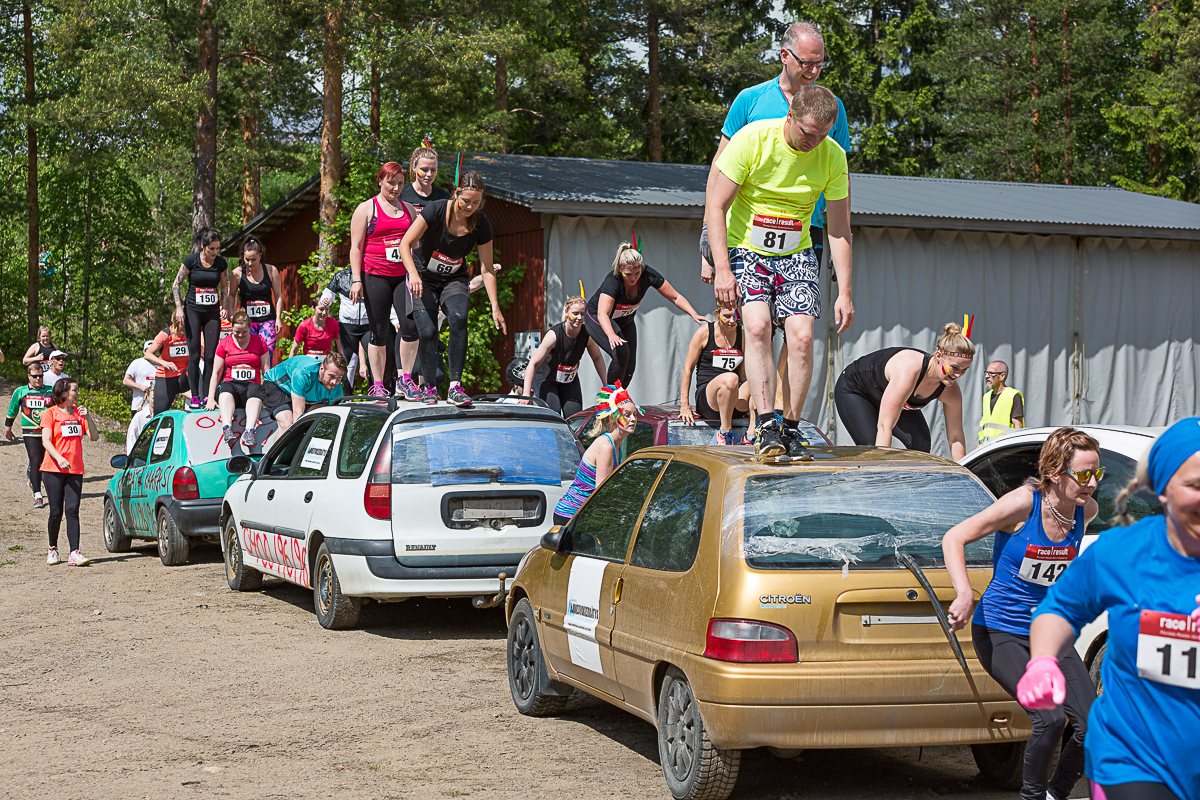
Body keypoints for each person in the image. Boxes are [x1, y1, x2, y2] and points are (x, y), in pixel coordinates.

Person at [1018, 418, 1200, 800]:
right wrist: (1043, 662)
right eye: (1196, 486)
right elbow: (1059, 609)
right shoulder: (1120, 553)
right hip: (1134, 758)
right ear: (1164, 490)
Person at [942, 427, 1101, 800]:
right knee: (1048, 719)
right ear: (1055, 472)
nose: (1092, 483)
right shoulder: (1022, 504)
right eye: (1083, 474)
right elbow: (955, 537)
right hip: (1000, 631)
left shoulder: (1085, 511)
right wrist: (964, 593)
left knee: (1091, 722)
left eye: (1098, 473)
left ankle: (1055, 794)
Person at [707, 84, 854, 459]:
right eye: (807, 132)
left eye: (822, 135)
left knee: (802, 337)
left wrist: (846, 292)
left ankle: (790, 427)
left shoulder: (832, 156)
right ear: (790, 117)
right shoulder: (752, 141)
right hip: (747, 247)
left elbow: (838, 229)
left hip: (797, 251)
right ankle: (766, 424)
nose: (813, 142)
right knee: (756, 327)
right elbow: (715, 205)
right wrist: (722, 269)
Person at [700, 21, 850, 284]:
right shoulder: (750, 100)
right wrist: (707, 227)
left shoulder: (832, 108)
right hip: (746, 231)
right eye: (806, 63)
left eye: (820, 63)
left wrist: (841, 237)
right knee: (752, 322)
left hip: (805, 229)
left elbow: (841, 176)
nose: (814, 71)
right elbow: (719, 166)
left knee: (797, 317)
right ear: (784, 56)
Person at [399, 169, 507, 408]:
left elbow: (487, 269)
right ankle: (428, 387)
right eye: (466, 201)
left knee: (459, 318)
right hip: (423, 277)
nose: (470, 207)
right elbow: (404, 244)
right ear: (456, 193)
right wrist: (414, 275)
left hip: (453, 279)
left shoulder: (482, 224)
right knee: (427, 331)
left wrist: (495, 307)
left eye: (476, 203)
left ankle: (455, 386)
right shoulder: (435, 210)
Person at [834, 324, 975, 459]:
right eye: (955, 367)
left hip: (885, 395)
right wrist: (881, 471)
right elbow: (885, 426)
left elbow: (955, 438)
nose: (958, 375)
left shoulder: (950, 390)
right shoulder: (909, 371)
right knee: (873, 449)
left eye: (964, 370)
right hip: (856, 391)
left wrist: (964, 472)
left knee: (921, 445)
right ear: (938, 356)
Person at [584, 242, 706, 390]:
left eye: (637, 273)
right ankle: (609, 398)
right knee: (621, 351)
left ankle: (620, 397)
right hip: (598, 318)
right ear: (621, 269)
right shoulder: (613, 281)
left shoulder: (648, 274)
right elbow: (602, 313)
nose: (633, 278)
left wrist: (693, 313)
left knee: (630, 366)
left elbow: (675, 297)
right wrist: (610, 335)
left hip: (625, 321)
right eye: (628, 275)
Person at [348, 161, 417, 399]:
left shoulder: (409, 209)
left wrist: (417, 274)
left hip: (402, 277)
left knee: (410, 326)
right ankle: (378, 384)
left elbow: (415, 246)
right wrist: (357, 280)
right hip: (374, 276)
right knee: (379, 331)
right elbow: (355, 248)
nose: (395, 188)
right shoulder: (367, 209)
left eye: (400, 183)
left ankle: (405, 379)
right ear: (380, 181)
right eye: (391, 182)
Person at [552, 383, 640, 525]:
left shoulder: (619, 444)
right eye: (627, 415)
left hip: (585, 514)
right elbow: (602, 493)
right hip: (571, 515)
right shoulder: (606, 446)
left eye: (634, 414)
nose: (633, 419)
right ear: (613, 418)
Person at [40, 377, 98, 567]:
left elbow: (94, 437)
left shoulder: (80, 414)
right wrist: (59, 457)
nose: (78, 393)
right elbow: (46, 440)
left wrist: (88, 417)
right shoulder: (51, 414)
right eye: (74, 390)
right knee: (56, 512)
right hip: (53, 469)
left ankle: (74, 552)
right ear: (64, 394)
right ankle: (52, 548)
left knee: (72, 510)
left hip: (75, 470)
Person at [172, 227, 229, 409]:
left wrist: (224, 306)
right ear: (203, 246)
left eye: (218, 248)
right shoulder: (191, 261)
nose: (215, 252)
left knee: (211, 356)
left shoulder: (221, 263)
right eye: (211, 248)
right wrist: (179, 308)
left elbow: (224, 287)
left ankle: (207, 396)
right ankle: (195, 396)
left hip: (212, 313)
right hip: (193, 311)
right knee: (195, 354)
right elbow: (176, 284)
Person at [678, 301, 751, 444]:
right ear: (718, 314)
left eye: (736, 316)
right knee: (730, 379)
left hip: (733, 400)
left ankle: (751, 434)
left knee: (758, 380)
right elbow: (688, 369)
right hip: (709, 401)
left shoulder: (742, 335)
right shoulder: (704, 333)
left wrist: (750, 400)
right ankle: (724, 432)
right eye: (727, 316)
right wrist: (684, 404)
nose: (732, 321)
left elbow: (742, 374)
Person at [523, 296, 607, 418]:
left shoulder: (587, 334)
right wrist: (526, 394)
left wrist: (607, 386)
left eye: (582, 314)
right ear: (566, 312)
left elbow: (597, 358)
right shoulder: (554, 335)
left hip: (569, 379)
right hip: (547, 378)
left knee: (575, 417)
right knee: (553, 413)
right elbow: (533, 364)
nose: (579, 318)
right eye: (575, 313)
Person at [319, 266, 397, 393]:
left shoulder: (373, 277)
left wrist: (395, 320)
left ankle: (377, 389)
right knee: (346, 361)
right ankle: (344, 395)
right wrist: (326, 300)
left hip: (368, 326)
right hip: (347, 326)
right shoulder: (341, 276)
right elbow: (328, 292)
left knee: (376, 356)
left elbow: (385, 301)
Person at [205, 311, 271, 449]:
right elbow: (216, 373)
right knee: (226, 388)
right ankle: (227, 427)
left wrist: (270, 396)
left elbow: (266, 372)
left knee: (256, 389)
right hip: (231, 384)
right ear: (231, 329)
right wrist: (210, 398)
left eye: (244, 332)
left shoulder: (259, 342)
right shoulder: (224, 344)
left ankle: (250, 431)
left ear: (250, 328)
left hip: (251, 386)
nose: (240, 335)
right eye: (237, 331)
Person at [5, 364, 53, 508]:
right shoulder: (21, 391)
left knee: (45, 462)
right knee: (35, 459)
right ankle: (38, 495)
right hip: (30, 432)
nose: (38, 379)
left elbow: (60, 409)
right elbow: (12, 409)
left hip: (47, 432)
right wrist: (8, 429)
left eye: (40, 376)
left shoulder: (51, 392)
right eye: (35, 376)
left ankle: (34, 481)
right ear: (29, 376)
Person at [261, 352, 347, 431]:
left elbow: (336, 415)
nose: (334, 382)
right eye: (331, 376)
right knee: (288, 424)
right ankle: (279, 448)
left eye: (339, 378)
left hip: (300, 392)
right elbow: (298, 415)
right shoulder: (304, 374)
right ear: (321, 368)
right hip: (276, 386)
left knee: (319, 417)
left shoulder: (336, 385)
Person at [231, 236, 283, 364]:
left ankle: (265, 382)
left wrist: (278, 318)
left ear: (260, 255)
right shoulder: (237, 273)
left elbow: (278, 296)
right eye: (247, 259)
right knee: (249, 357)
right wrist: (231, 313)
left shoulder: (271, 270)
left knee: (267, 355)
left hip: (268, 321)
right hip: (247, 322)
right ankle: (250, 383)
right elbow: (231, 295)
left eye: (253, 259)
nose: (249, 263)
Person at [145, 318, 192, 415]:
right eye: (181, 328)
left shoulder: (191, 333)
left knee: (197, 367)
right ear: (175, 324)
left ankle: (201, 399)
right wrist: (164, 363)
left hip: (183, 376)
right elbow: (148, 354)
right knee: (160, 412)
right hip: (166, 377)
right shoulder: (165, 335)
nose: (183, 331)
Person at [979, 360, 1025, 445]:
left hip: (1003, 450)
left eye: (991, 373)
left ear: (1002, 376)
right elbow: (983, 429)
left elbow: (1018, 427)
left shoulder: (1013, 395)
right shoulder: (986, 397)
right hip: (986, 450)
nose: (986, 376)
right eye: (986, 373)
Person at [123, 342, 158, 451]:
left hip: (156, 406)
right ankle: (134, 455)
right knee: (137, 434)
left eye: (154, 350)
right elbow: (126, 380)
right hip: (139, 405)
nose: (152, 352)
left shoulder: (160, 364)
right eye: (149, 350)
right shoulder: (137, 363)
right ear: (144, 351)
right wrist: (140, 386)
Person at [400, 146, 450, 213]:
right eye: (424, 170)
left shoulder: (443, 197)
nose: (429, 174)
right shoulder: (401, 193)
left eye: (433, 170)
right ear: (414, 167)